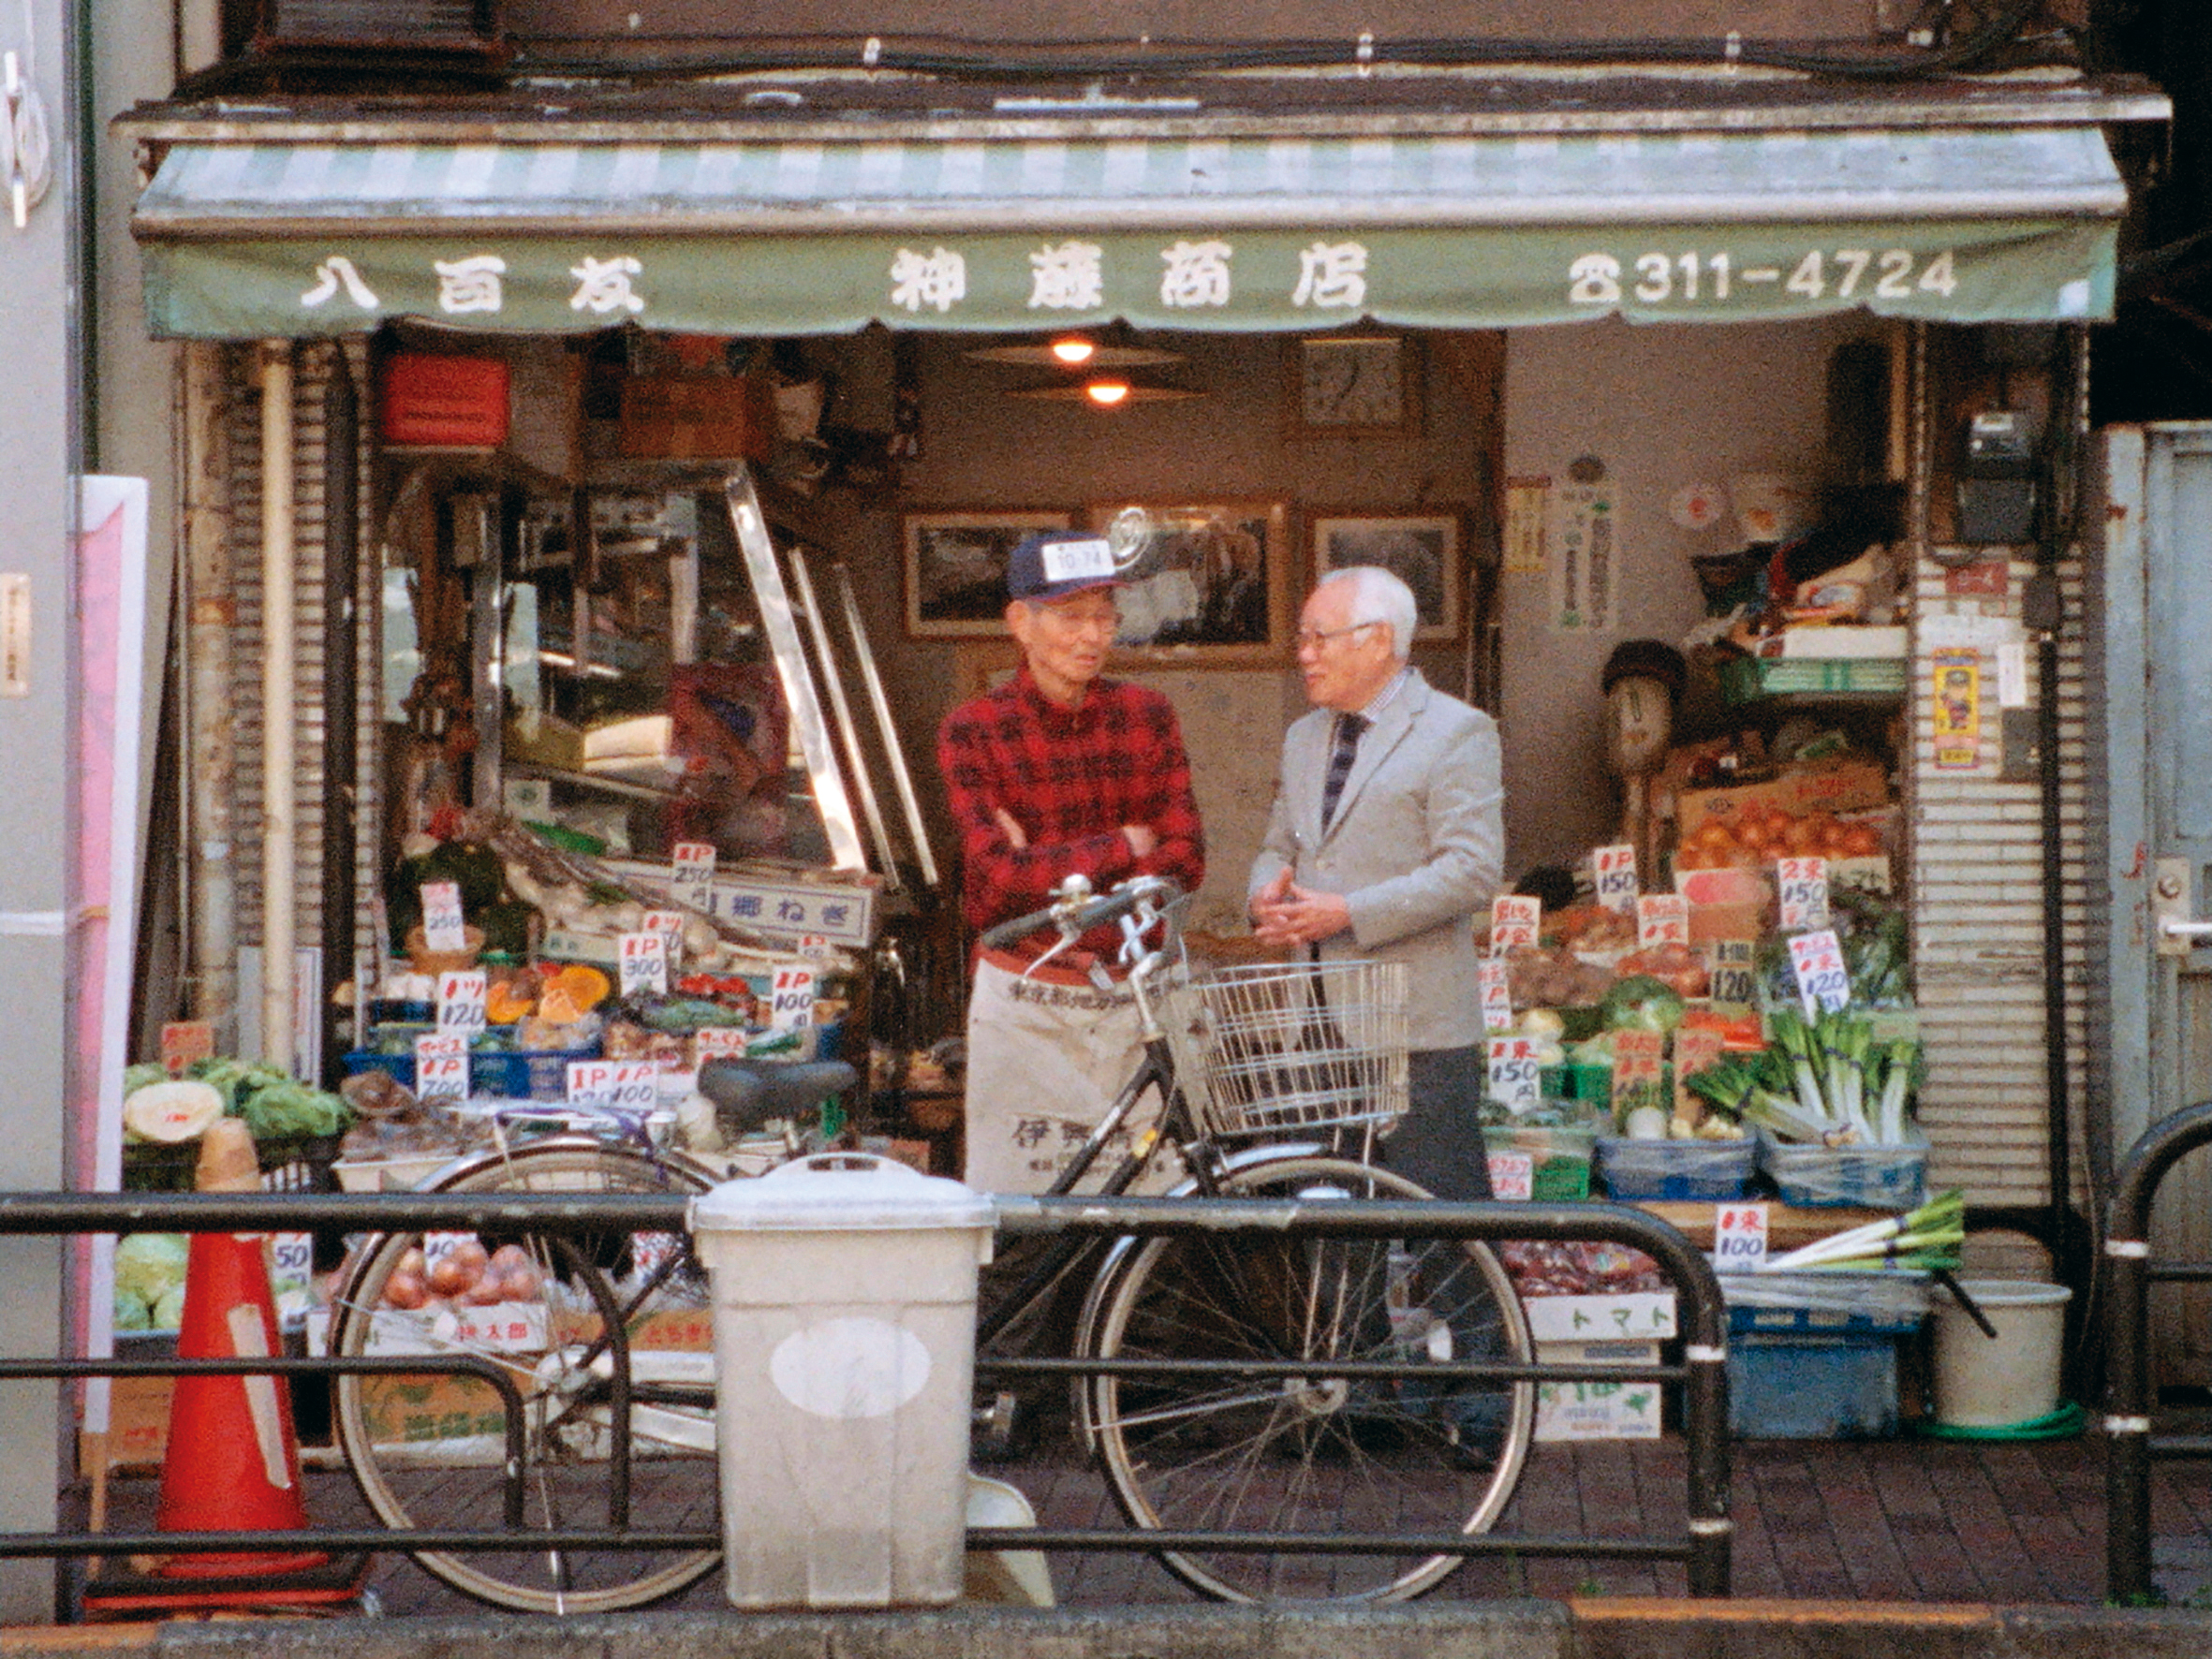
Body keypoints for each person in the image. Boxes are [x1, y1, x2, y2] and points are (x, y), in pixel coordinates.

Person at [937, 530, 1205, 1193]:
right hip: (1028, 998)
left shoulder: (1147, 715)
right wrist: (1126, 844)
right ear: (1020, 622)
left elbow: (1185, 856)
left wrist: (1046, 866)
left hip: (1137, 993)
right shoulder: (973, 729)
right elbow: (997, 879)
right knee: (1025, 1203)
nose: (1093, 635)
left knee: (1157, 1200)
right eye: (1071, 616)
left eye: (1105, 616)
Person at [1248, 564, 1503, 1202]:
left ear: (1379, 640)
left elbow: (1473, 868)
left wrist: (1351, 912)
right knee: (1329, 1219)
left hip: (1416, 1029)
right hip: (1315, 1022)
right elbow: (1280, 844)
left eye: (1319, 638)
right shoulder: (1303, 737)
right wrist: (1265, 894)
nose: (1304, 655)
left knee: (1440, 1220)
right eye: (1303, 638)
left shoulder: (1456, 730)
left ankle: (1464, 1282)